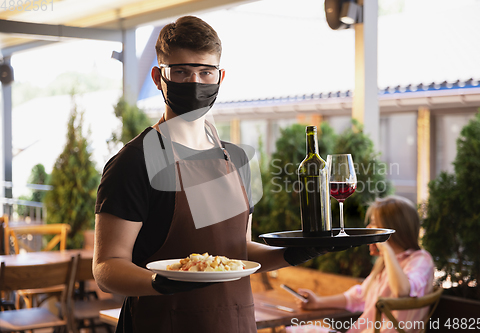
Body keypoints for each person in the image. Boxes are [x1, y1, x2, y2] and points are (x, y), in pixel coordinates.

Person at [93, 16, 334, 333]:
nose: (195, 82)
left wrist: (293, 252)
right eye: (181, 72)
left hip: (235, 322)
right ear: (157, 77)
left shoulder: (235, 159)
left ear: (220, 77)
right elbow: (107, 266)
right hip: (162, 323)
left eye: (205, 72)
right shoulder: (134, 162)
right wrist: (159, 282)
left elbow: (238, 251)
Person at [297, 195, 435, 333]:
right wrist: (318, 302)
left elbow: (402, 291)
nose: (368, 227)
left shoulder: (421, 259)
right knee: (295, 329)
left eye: (374, 223)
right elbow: (359, 296)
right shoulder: (386, 263)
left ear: (393, 228)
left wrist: (386, 249)